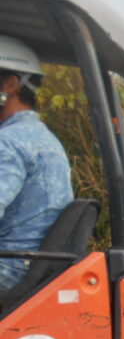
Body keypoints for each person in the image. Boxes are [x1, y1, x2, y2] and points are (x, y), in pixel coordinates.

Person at [0, 35, 72, 292]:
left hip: (9, 268)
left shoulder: (9, 142)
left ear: (11, 84)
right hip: (31, 267)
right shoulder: (44, 139)